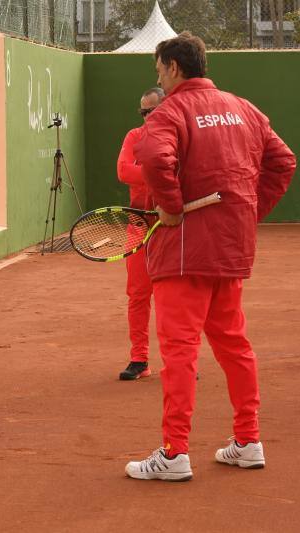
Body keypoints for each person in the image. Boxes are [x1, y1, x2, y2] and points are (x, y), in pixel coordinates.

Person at [124, 32, 295, 481]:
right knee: (234, 344)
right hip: (230, 249)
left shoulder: (170, 112)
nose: (158, 77)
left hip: (185, 255)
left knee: (180, 352)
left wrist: (174, 208)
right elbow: (284, 162)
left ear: (174, 68)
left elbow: (154, 158)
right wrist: (250, 211)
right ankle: (247, 440)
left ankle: (175, 453)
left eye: (160, 70)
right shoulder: (244, 108)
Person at [116, 87, 164, 381]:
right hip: (138, 227)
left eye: (151, 111)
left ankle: (180, 361)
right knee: (137, 295)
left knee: (176, 298)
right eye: (142, 112)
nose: (146, 116)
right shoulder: (134, 137)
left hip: (171, 230)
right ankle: (140, 359)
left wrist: (145, 169)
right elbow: (124, 171)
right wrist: (162, 172)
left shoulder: (180, 136)